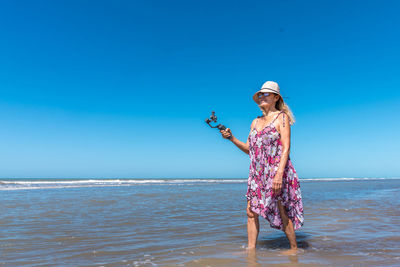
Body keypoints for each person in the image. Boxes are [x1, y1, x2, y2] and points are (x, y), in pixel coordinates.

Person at [220, 81, 304, 254]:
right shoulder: (255, 122)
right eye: (260, 94)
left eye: (266, 94)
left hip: (277, 171)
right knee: (251, 211)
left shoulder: (282, 117)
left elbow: (286, 147)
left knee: (282, 210)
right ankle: (251, 250)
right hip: (257, 174)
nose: (262, 96)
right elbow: (250, 150)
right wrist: (232, 139)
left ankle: (294, 249)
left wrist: (279, 175)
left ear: (275, 97)